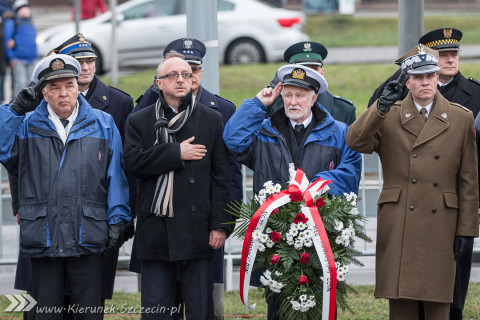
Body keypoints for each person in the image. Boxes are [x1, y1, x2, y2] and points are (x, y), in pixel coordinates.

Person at [346, 44, 479, 320]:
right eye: (418, 77)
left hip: (441, 222)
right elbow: (355, 141)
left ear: (437, 78)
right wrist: (379, 108)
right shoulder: (389, 114)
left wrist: (468, 229)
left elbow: (468, 180)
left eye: (430, 76)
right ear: (407, 81)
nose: (425, 82)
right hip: (401, 222)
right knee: (402, 307)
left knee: (439, 305)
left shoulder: (460, 117)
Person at [223, 64, 362, 320]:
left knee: (317, 305)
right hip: (275, 236)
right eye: (287, 95)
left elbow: (350, 172)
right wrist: (257, 104)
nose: (293, 102)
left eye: (300, 95)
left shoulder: (339, 132)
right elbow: (233, 140)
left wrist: (316, 186)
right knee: (277, 305)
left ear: (314, 97)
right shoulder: (264, 130)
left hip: (320, 234)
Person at [0, 54, 131, 319]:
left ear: (77, 87)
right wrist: (13, 111)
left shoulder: (103, 123)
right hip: (44, 236)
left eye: (69, 85)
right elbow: (3, 150)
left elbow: (115, 175)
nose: (63, 94)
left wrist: (119, 217)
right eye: (54, 88)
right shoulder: (26, 125)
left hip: (87, 234)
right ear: (43, 93)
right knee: (45, 313)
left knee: (88, 313)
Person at [130, 37, 242, 319]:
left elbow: (222, 177)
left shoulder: (210, 118)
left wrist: (221, 225)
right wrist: (175, 153)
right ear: (159, 82)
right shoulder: (140, 120)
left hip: (198, 232)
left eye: (187, 74)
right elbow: (133, 163)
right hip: (156, 230)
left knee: (199, 310)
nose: (181, 80)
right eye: (173, 75)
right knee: (157, 311)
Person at [264, 41, 356, 125]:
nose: (309, 75)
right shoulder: (274, 105)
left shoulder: (344, 110)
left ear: (322, 73)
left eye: (313, 69)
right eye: (302, 69)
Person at [4, 0, 37, 96]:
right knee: (20, 84)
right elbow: (7, 42)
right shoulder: (13, 23)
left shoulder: (30, 23)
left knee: (30, 85)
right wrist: (12, 58)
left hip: (31, 59)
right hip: (19, 59)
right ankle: (16, 106)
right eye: (23, 9)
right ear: (17, 11)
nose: (26, 11)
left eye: (27, 8)